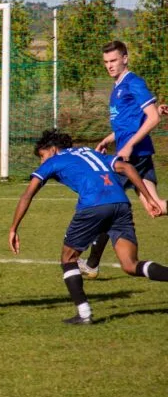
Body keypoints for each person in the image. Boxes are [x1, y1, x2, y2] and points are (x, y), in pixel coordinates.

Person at [9, 129, 168, 324]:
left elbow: (27, 194)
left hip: (93, 206)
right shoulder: (90, 152)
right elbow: (127, 168)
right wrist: (150, 199)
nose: (42, 162)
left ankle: (84, 314)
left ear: (52, 149)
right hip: (121, 204)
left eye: (42, 156)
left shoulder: (54, 160)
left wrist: (13, 228)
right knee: (130, 264)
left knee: (68, 258)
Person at [78, 40, 167, 280]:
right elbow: (130, 124)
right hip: (135, 154)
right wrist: (110, 138)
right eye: (106, 62)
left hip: (133, 158)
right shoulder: (118, 86)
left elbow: (152, 118)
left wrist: (128, 145)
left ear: (125, 58)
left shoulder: (133, 83)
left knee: (105, 203)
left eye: (114, 60)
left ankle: (92, 263)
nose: (110, 65)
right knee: (156, 206)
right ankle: (93, 263)